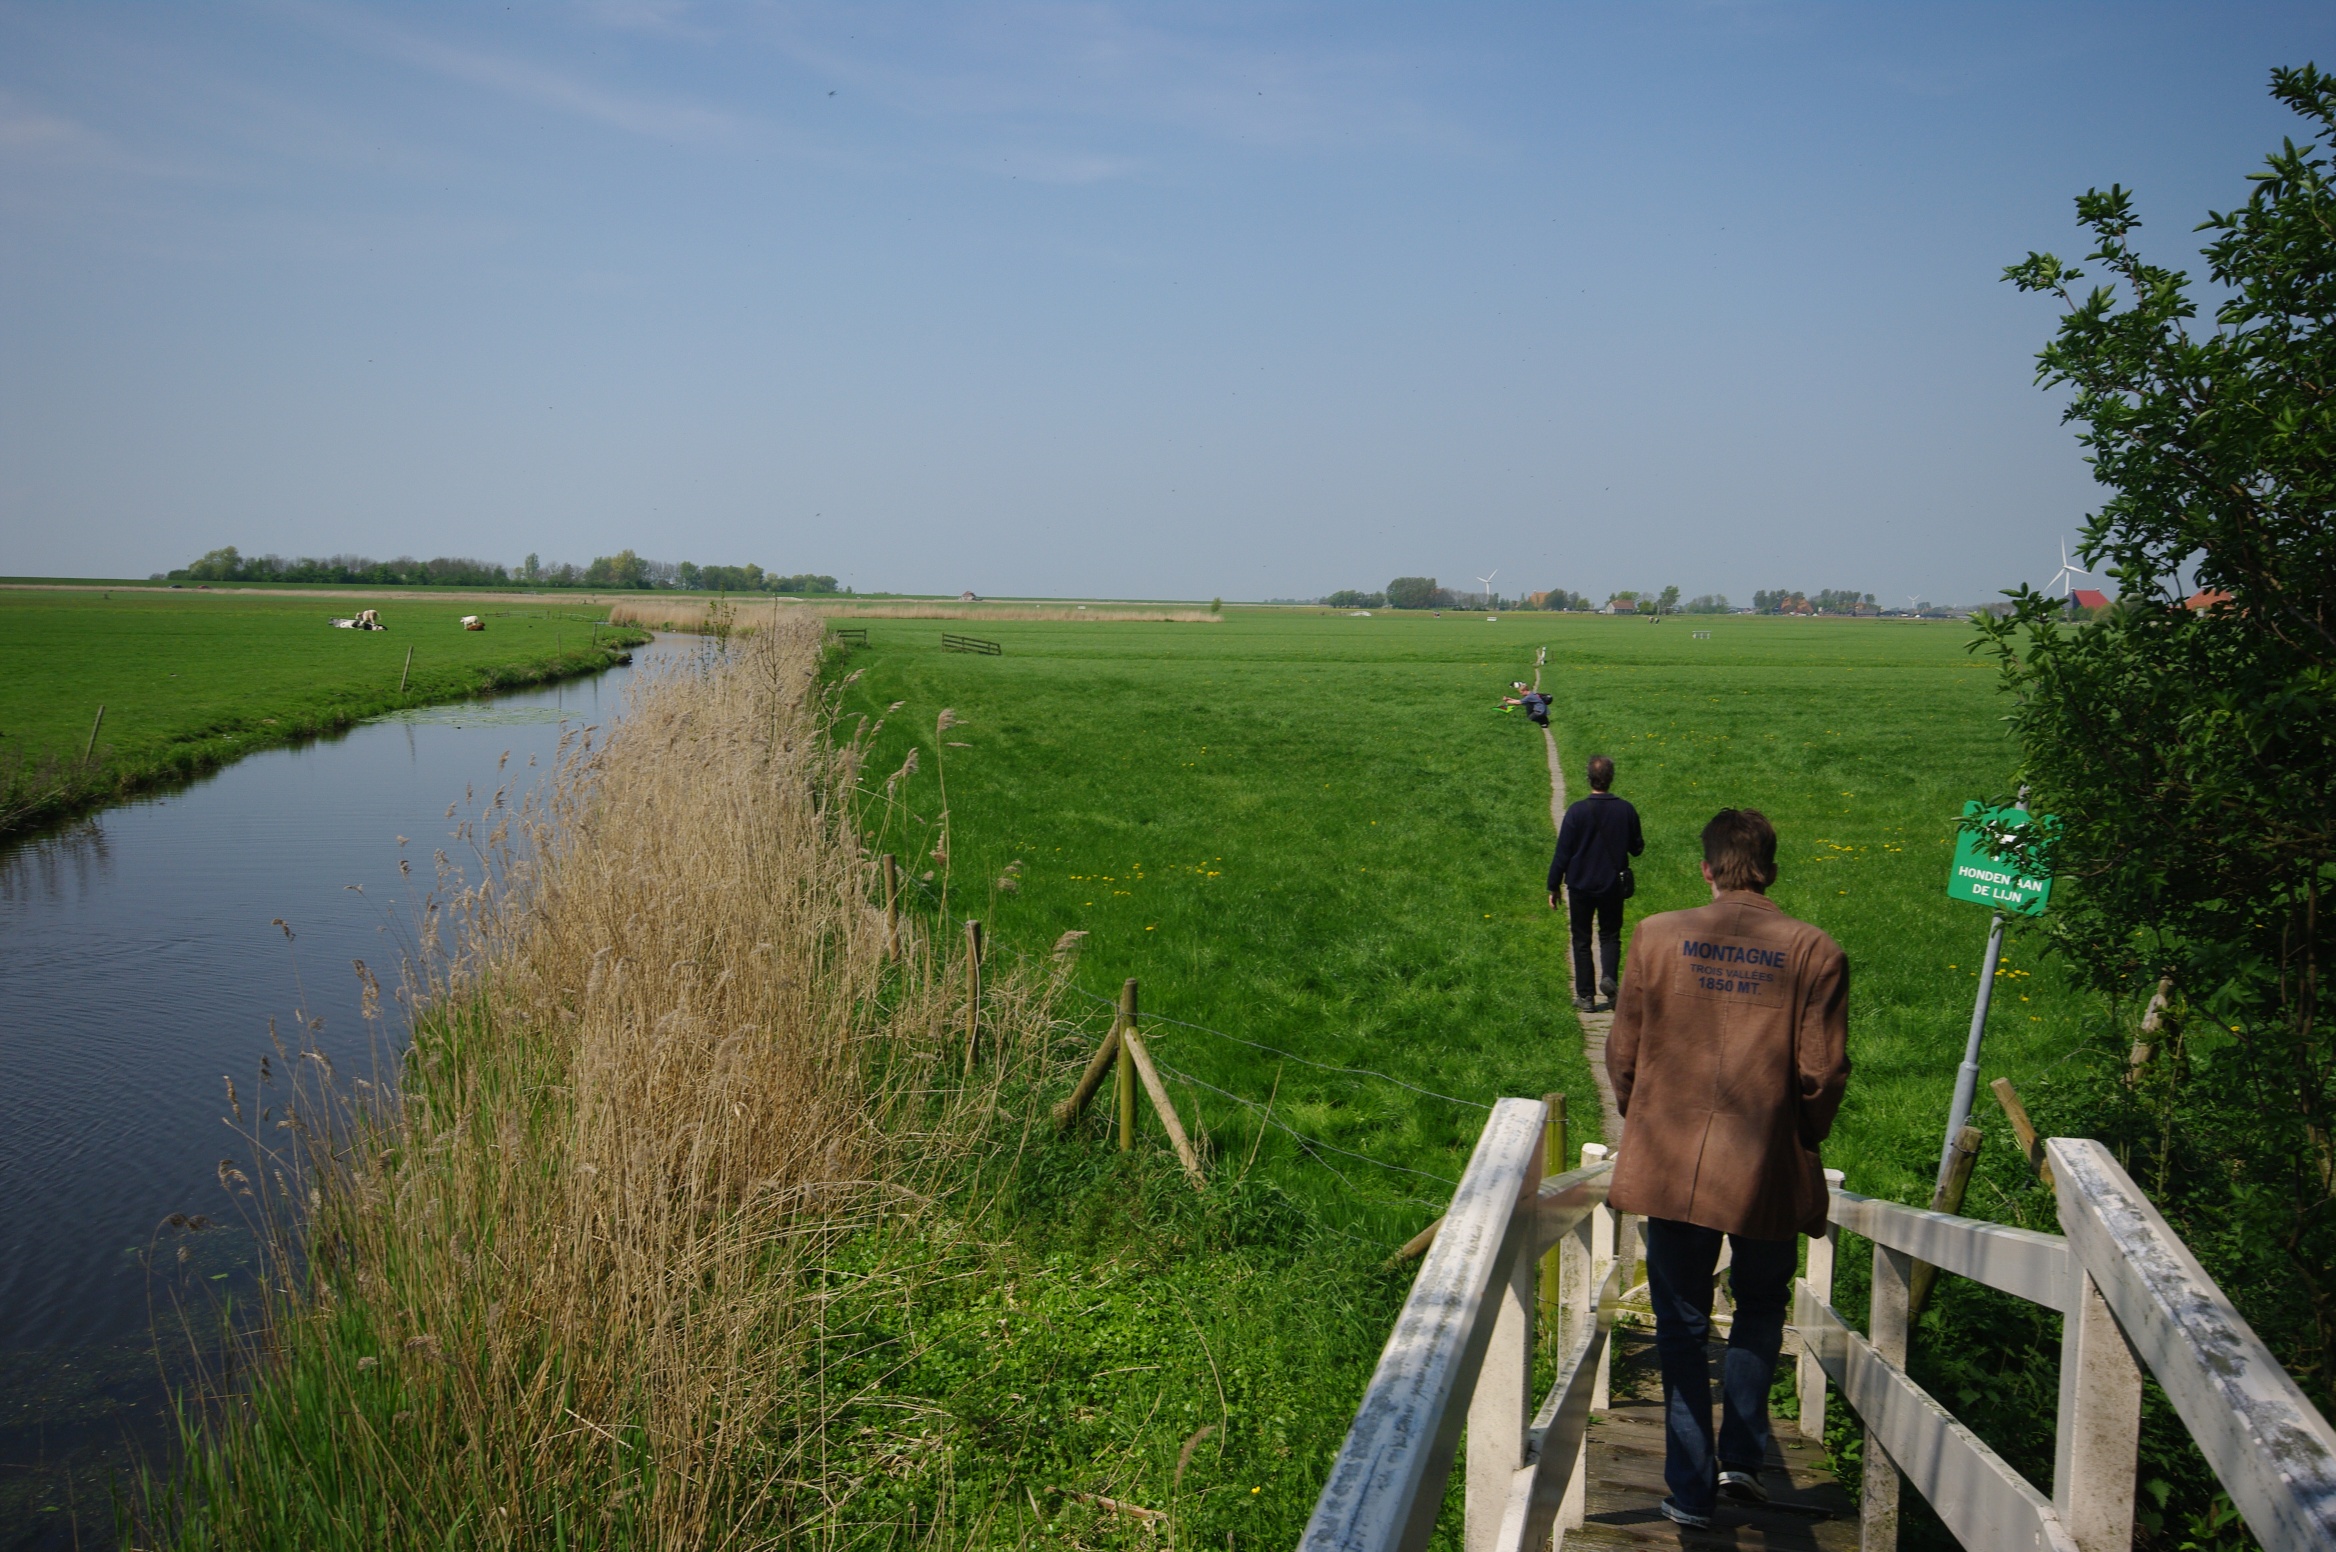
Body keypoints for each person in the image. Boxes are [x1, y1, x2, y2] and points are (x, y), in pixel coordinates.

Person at [1604, 808, 1851, 1529]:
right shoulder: (1815, 951)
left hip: (1672, 1163)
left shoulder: (1654, 936)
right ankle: (1741, 1458)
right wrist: (1798, 1139)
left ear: (1706, 868)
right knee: (1762, 1306)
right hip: (1766, 1168)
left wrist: (1648, 1120)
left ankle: (1689, 1491)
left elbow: (1623, 1054)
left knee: (1680, 1325)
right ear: (1770, 869)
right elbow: (1822, 1073)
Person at [1546, 755, 1642, 1010]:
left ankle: (1586, 996)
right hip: (1612, 885)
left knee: (1581, 939)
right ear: (1611, 778)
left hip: (1580, 885)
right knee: (1610, 935)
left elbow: (1562, 853)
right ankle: (1609, 979)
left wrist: (1553, 885)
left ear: (1589, 778)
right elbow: (1637, 848)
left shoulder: (1576, 811)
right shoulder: (1626, 810)